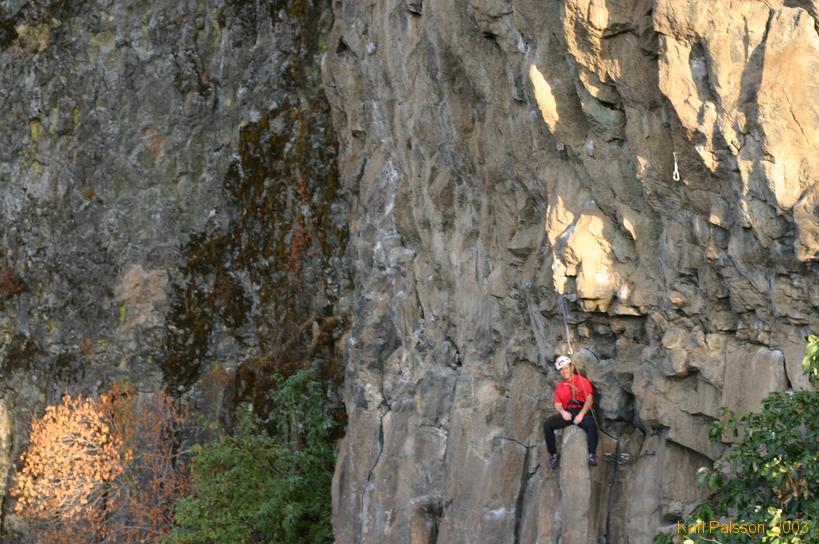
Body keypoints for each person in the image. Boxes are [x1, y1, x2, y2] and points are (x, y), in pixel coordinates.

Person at [543, 355, 598, 468]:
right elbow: (558, 404)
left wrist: (581, 415)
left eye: (566, 368)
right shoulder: (560, 387)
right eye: (561, 369)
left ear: (571, 367)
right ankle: (553, 454)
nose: (564, 371)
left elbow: (589, 400)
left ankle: (592, 454)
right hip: (568, 412)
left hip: (581, 409)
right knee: (547, 424)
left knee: (591, 424)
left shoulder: (582, 381)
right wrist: (563, 412)